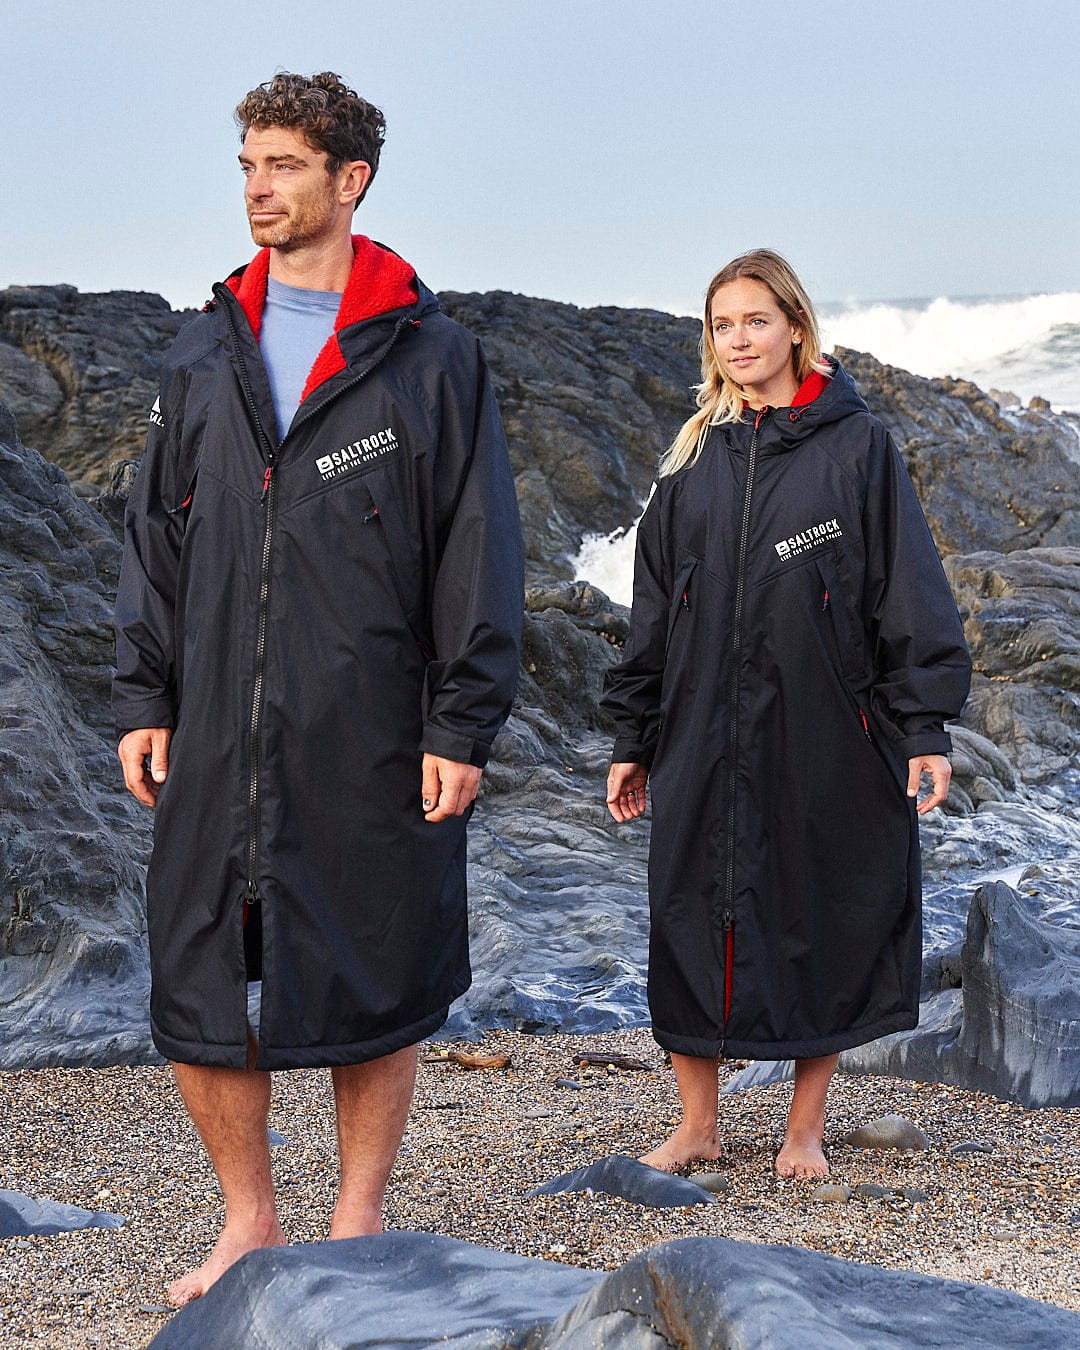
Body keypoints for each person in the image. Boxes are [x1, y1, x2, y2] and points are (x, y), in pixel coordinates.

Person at [113, 71, 523, 1305]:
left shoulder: (431, 356)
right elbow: (154, 540)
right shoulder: (204, 351)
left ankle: (356, 1217)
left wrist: (460, 721)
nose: (257, 189)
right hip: (216, 729)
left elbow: (476, 546)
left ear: (351, 180)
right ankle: (250, 1219)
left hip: (370, 721)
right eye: (247, 165)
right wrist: (145, 694)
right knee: (195, 972)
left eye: (284, 165)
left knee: (374, 959)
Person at [601, 249, 970, 1181]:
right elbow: (653, 609)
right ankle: (698, 1124)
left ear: (796, 328)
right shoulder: (691, 460)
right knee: (688, 907)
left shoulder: (858, 449)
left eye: (756, 321)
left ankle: (803, 1128)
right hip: (695, 730)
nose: (739, 341)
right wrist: (632, 736)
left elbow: (907, 592)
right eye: (723, 326)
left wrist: (922, 725)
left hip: (823, 727)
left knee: (823, 909)